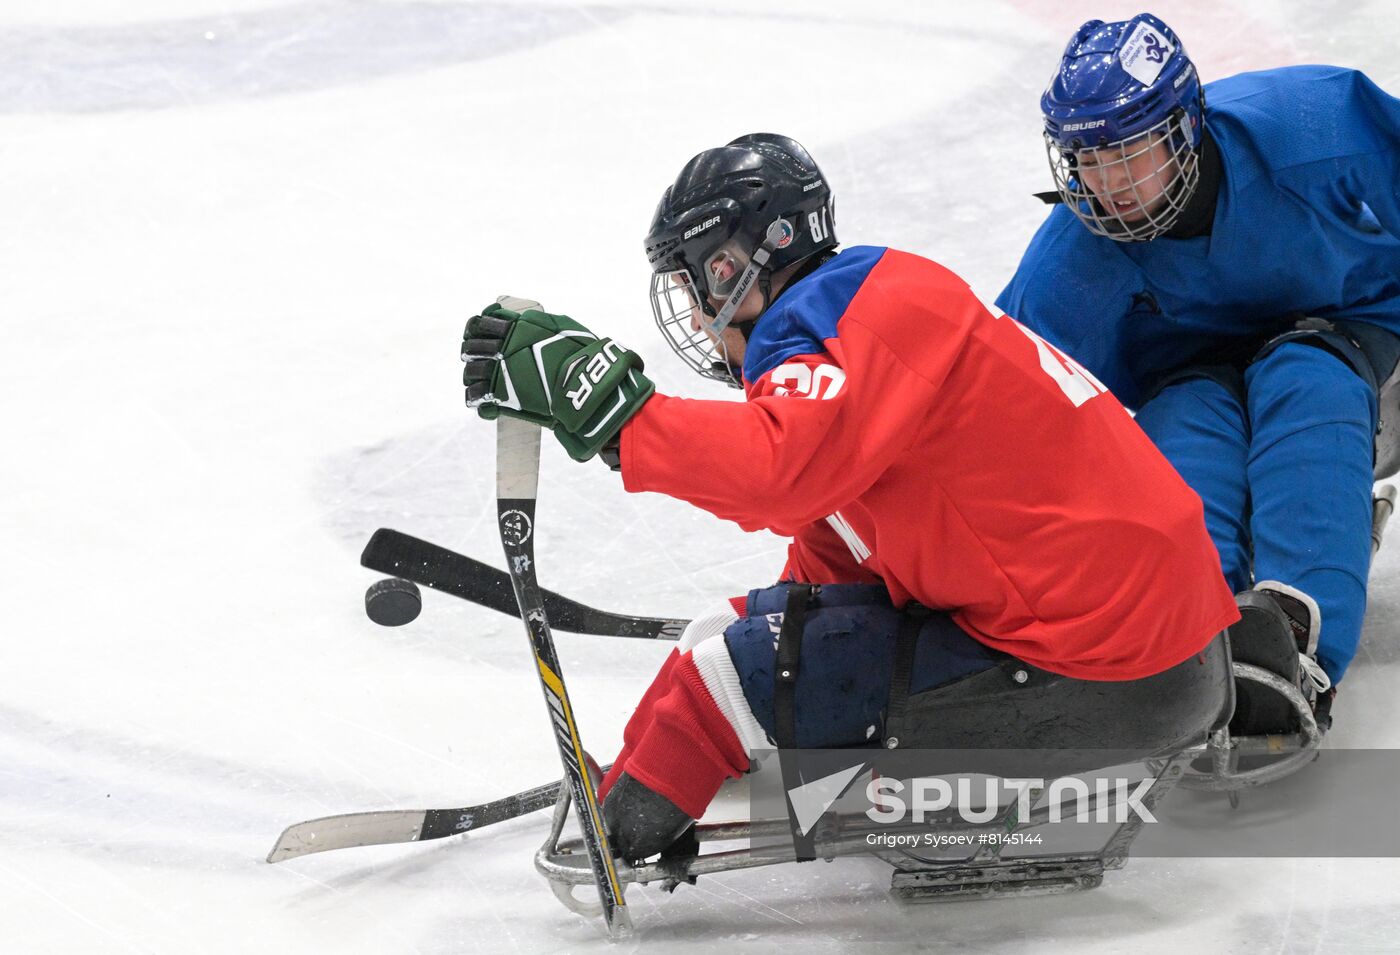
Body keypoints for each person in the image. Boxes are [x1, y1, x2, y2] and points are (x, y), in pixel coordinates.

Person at [462, 133, 1238, 861]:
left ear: (736, 265)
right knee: (731, 635)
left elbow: (779, 470)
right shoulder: (872, 295)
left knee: (718, 683)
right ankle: (645, 780)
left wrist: (620, 417)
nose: (697, 315)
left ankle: (618, 830)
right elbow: (847, 534)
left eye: (696, 283)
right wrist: (777, 626)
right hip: (1156, 650)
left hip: (1106, 672)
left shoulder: (836, 320)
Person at [997, 13, 1400, 737]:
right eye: (1084, 158)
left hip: (1352, 330)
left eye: (1125, 153)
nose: (1103, 182)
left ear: (1184, 128)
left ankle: (1294, 649)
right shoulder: (1071, 259)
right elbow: (997, 410)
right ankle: (1192, 648)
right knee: (1186, 435)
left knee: (1309, 388)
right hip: (1190, 374)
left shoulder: (1316, 125)